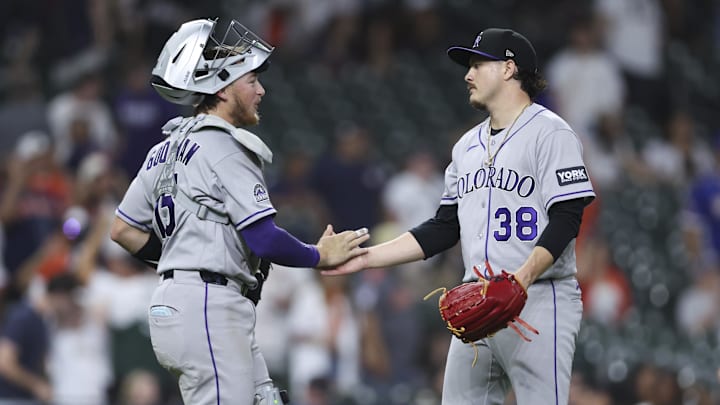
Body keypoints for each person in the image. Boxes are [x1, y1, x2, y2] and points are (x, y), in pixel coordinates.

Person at [324, 28, 596, 404]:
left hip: (540, 298)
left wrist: (521, 279)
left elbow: (567, 218)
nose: (468, 75)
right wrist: (365, 258)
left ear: (508, 68)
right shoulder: (465, 147)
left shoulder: (551, 133)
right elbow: (443, 228)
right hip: (478, 299)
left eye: (478, 64)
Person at [109, 18, 369, 405]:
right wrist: (318, 255)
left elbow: (123, 230)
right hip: (208, 307)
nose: (261, 90)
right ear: (223, 86)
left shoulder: (163, 148)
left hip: (181, 301)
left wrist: (181, 262)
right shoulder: (224, 146)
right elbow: (263, 238)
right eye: (251, 81)